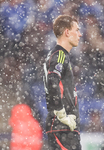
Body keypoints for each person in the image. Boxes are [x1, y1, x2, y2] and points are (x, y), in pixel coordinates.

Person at [43, 15, 82, 150]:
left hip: (65, 127)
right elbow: (53, 81)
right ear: (67, 32)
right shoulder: (59, 54)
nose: (80, 34)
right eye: (76, 30)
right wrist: (61, 115)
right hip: (61, 127)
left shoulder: (60, 55)